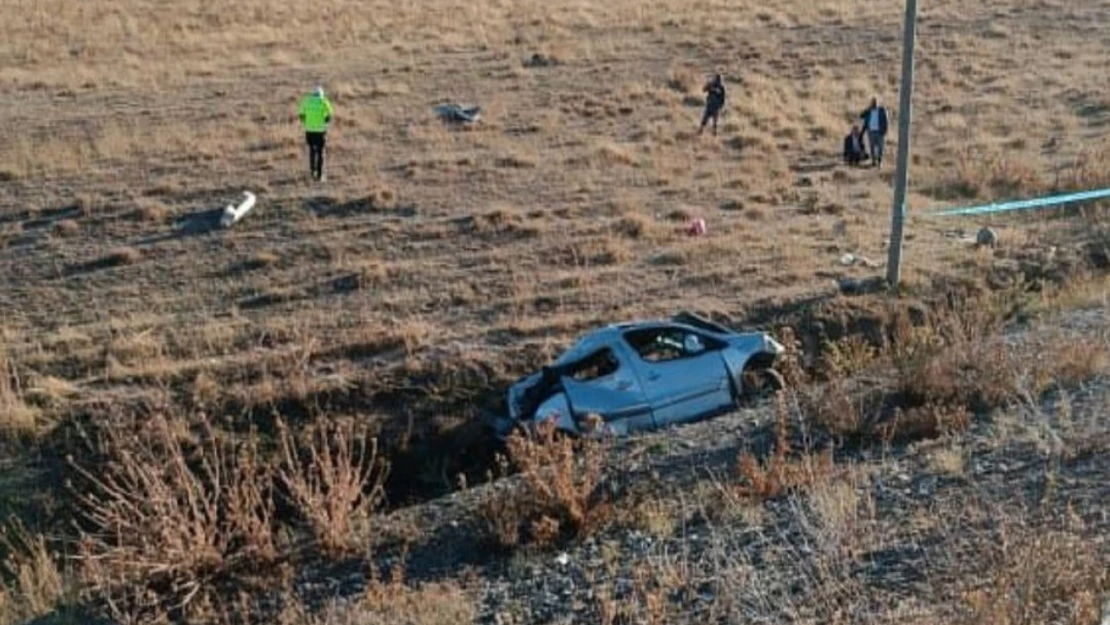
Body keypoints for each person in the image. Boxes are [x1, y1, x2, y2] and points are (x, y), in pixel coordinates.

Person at [298, 86, 334, 181]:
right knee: (320, 152)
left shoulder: (306, 101)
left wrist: (306, 123)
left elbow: (301, 115)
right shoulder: (323, 101)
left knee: (312, 151)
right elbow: (330, 114)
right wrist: (325, 121)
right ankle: (320, 174)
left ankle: (312, 172)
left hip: (309, 131)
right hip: (321, 131)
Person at [859, 96, 889, 168]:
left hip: (880, 131)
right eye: (873, 102)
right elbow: (861, 116)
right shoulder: (869, 111)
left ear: (878, 103)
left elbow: (886, 121)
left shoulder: (882, 110)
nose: (874, 104)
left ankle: (879, 161)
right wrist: (868, 109)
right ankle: (873, 161)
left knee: (880, 147)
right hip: (871, 131)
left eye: (876, 102)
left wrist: (885, 131)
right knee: (872, 147)